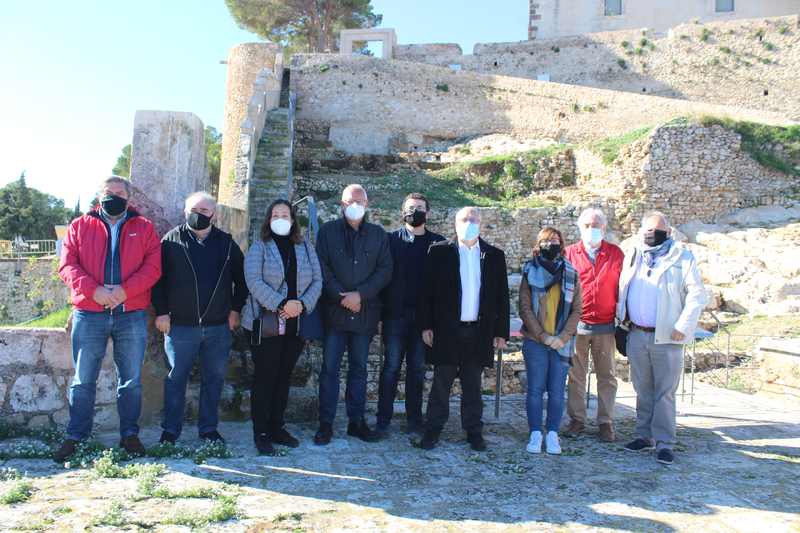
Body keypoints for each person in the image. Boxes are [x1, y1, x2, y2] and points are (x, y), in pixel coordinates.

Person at [55, 176, 161, 461]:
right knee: (83, 379)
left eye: (119, 193)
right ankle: (76, 436)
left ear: (129, 198)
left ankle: (129, 435)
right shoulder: (79, 226)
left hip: (131, 314)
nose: (113, 197)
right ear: (99, 196)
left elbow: (153, 268)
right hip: (89, 313)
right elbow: (67, 266)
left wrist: (125, 291)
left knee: (130, 380)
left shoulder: (144, 228)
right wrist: (95, 291)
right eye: (108, 192)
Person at [152, 192, 247, 445]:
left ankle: (208, 429)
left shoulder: (226, 243)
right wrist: (161, 312)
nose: (199, 214)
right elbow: (157, 281)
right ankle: (170, 431)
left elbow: (242, 279)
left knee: (214, 379)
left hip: (218, 327)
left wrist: (236, 309)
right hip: (180, 327)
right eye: (194, 209)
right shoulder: (170, 241)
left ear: (213, 214)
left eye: (205, 211)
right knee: (176, 379)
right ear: (185, 212)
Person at [417, 207, 510, 452]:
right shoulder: (439, 252)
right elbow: (426, 293)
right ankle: (433, 430)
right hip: (447, 330)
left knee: (473, 385)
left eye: (473, 219)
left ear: (481, 223)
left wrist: (501, 332)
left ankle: (474, 432)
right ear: (455, 223)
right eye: (464, 219)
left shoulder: (494, 255)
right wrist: (426, 325)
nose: (469, 223)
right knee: (441, 383)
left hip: (478, 331)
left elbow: (502, 297)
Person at [617, 211, 707, 465]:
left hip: (667, 335)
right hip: (636, 332)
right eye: (648, 230)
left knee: (664, 392)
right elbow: (624, 288)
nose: (651, 235)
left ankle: (665, 442)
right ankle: (644, 436)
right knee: (642, 389)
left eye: (657, 230)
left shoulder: (682, 256)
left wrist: (684, 324)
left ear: (667, 233)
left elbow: (697, 294)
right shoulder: (635, 254)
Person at [241, 199, 322, 455]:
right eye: (275, 214)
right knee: (265, 378)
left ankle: (277, 426)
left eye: (284, 214)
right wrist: (282, 304)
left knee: (283, 377)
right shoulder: (259, 247)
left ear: (292, 219)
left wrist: (302, 305)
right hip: (266, 323)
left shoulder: (305, 246)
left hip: (296, 324)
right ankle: (261, 432)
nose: (280, 218)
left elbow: (318, 280)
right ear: (268, 219)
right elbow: (253, 281)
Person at [314, 184, 393, 445]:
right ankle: (325, 424)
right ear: (342, 203)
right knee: (329, 370)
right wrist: (342, 297)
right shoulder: (327, 233)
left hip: (364, 313)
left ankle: (356, 422)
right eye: (350, 201)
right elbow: (321, 268)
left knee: (359, 370)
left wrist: (360, 295)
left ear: (367, 205)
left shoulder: (378, 235)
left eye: (360, 200)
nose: (355, 205)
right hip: (335, 314)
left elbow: (384, 270)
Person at [376, 193, 445, 436]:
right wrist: (381, 317)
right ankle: (383, 419)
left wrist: (435, 322)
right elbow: (383, 280)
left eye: (419, 207)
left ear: (428, 213)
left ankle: (414, 420)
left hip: (423, 320)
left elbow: (442, 286)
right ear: (402, 211)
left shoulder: (439, 244)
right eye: (410, 207)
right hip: (395, 316)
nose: (414, 211)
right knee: (391, 368)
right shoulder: (390, 240)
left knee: (417, 369)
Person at [519, 227, 582, 455]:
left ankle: (553, 433)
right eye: (546, 240)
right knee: (535, 389)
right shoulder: (529, 270)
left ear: (562, 243)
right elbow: (525, 308)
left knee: (557, 390)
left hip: (561, 342)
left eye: (555, 240)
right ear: (538, 244)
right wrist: (543, 336)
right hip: (536, 340)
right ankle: (535, 432)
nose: (551, 243)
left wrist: (562, 337)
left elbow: (577, 309)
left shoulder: (571, 272)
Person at [563, 208, 624, 442]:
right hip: (577, 325)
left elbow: (624, 286)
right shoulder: (569, 254)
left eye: (596, 225)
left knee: (607, 376)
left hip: (606, 326)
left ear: (605, 228)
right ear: (580, 228)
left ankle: (606, 422)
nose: (592, 229)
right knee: (576, 376)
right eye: (587, 225)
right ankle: (577, 419)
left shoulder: (616, 254)